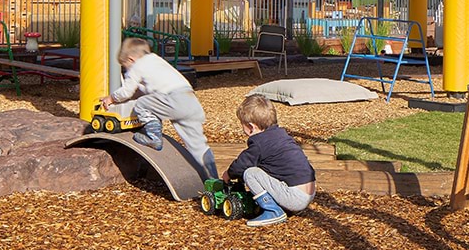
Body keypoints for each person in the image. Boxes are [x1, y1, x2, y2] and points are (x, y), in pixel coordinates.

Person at [101, 38, 217, 180]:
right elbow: (142, 89)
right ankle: (213, 180)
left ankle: (154, 137)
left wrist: (111, 99)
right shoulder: (156, 61)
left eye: (125, 67)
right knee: (198, 146)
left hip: (174, 99)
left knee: (142, 103)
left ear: (130, 59)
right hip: (191, 101)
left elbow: (127, 91)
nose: (127, 71)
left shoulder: (137, 66)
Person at [225, 95, 316, 227]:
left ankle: (273, 211)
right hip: (308, 192)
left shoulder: (259, 143)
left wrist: (228, 174)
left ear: (251, 127)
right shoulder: (281, 135)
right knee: (267, 167)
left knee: (250, 173)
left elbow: (241, 165)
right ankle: (288, 206)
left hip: (295, 197)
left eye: (242, 125)